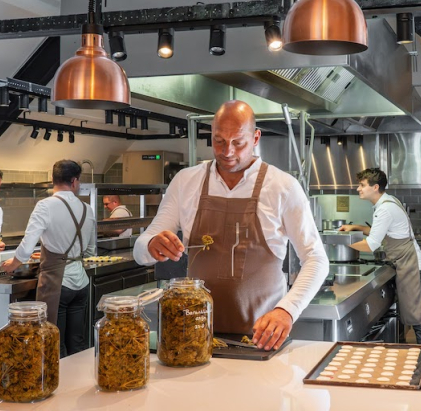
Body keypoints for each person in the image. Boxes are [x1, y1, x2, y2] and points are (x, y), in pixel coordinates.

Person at [134, 100, 329, 351]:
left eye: (238, 142)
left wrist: (286, 310)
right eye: (219, 141)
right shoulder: (186, 182)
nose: (227, 151)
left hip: (262, 339)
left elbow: (316, 259)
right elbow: (140, 251)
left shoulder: (283, 186)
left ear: (256, 137)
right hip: (196, 338)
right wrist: (151, 244)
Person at [2, 160, 96, 357]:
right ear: (74, 181)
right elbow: (89, 251)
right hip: (81, 283)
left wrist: (12, 265)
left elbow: (27, 246)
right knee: (77, 344)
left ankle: (60, 386)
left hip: (57, 284)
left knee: (54, 341)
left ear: (53, 179)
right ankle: (78, 385)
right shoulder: (87, 209)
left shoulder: (45, 205)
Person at [339, 167, 421, 344]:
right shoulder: (388, 202)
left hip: (411, 266)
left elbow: (371, 245)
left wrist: (339, 242)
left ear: (375, 187)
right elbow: (380, 231)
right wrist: (357, 228)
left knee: (418, 318)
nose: (358, 189)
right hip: (409, 261)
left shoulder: (384, 209)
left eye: (362, 185)